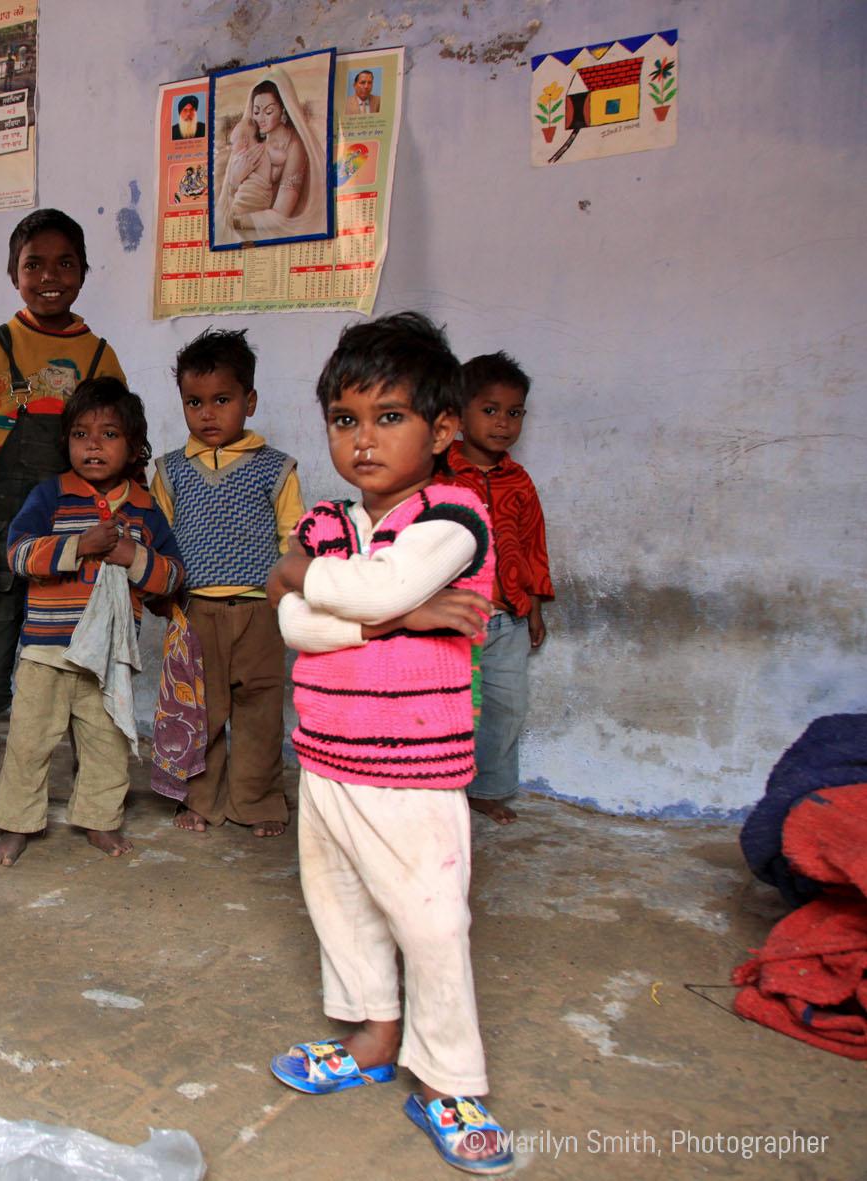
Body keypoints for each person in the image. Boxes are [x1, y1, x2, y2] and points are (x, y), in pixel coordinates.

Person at [265, 312, 511, 1174]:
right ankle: (375, 1034)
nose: (363, 439)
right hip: (326, 752)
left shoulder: (454, 515)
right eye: (345, 419)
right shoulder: (328, 519)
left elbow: (366, 585)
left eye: (389, 417)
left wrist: (318, 582)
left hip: (412, 766)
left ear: (442, 430)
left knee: (432, 920)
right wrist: (394, 618)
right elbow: (293, 623)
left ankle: (448, 1079)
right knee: (339, 902)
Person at [0, 209, 127, 806]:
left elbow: (119, 445)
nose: (50, 276)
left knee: (76, 645)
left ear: (84, 272)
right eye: (34, 265)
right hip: (2, 524)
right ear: (13, 274)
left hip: (77, 531)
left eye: (65, 264)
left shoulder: (100, 358)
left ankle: (85, 764)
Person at [0, 378, 183, 867]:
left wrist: (133, 556)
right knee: (29, 744)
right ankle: (16, 824)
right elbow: (18, 554)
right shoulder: (50, 495)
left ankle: (98, 818)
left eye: (109, 434)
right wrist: (80, 546)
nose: (93, 445)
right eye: (80, 434)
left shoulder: (144, 508)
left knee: (106, 745)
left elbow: (173, 576)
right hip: (47, 652)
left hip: (110, 658)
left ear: (134, 447)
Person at [150, 328, 302, 837]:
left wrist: (291, 601)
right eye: (194, 402)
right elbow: (159, 540)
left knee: (260, 714)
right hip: (195, 612)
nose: (208, 414)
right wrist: (159, 596)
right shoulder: (170, 471)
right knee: (201, 712)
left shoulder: (276, 469)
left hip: (261, 612)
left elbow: (294, 540)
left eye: (222, 400)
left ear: (249, 402)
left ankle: (257, 802)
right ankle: (202, 801)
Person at [436, 352, 552, 825]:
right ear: (459, 414)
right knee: (449, 705)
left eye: (514, 412)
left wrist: (535, 607)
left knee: (506, 704)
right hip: (453, 615)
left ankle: (486, 789)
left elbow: (532, 544)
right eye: (490, 410)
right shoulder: (438, 474)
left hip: (508, 618)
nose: (503, 422)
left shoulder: (519, 481)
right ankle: (440, 785)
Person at [218, 67, 328, 241]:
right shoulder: (253, 139)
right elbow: (232, 194)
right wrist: (234, 182)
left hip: (275, 227)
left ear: (283, 110)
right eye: (256, 112)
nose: (261, 118)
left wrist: (238, 221)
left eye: (268, 112)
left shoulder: (294, 146)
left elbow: (281, 214)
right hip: (248, 215)